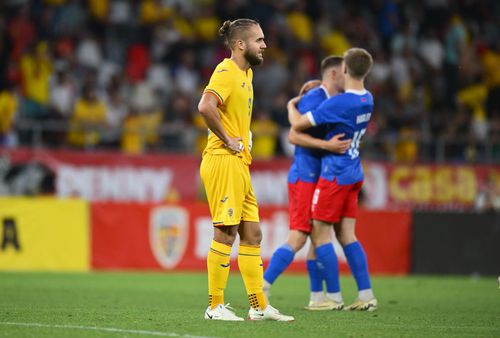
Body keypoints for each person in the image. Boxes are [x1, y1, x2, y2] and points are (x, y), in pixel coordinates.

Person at [198, 18, 294, 322]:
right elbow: (205, 105)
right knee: (225, 234)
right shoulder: (226, 71)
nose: (264, 45)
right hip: (223, 159)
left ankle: (258, 305)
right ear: (241, 45)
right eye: (259, 40)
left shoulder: (246, 73)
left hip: (240, 163)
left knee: (252, 234)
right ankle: (214, 307)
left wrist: (243, 135)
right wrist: (228, 138)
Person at [288, 47, 378, 311]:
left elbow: (298, 125)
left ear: (345, 70)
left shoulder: (339, 103)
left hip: (334, 175)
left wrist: (291, 104)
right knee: (348, 234)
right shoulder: (368, 99)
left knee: (319, 233)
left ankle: (334, 297)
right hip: (354, 172)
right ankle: (366, 295)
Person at [263, 56, 351, 310]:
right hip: (305, 175)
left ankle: (317, 297)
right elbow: (292, 134)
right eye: (346, 73)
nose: (350, 78)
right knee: (300, 236)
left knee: (317, 236)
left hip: (316, 175)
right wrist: (327, 145)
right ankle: (261, 288)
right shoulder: (315, 98)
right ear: (334, 74)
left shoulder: (329, 99)